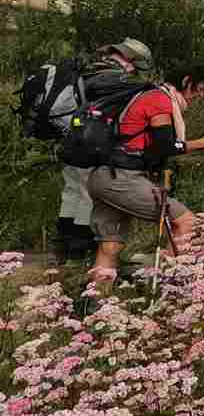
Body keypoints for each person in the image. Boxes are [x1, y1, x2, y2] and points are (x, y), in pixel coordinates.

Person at [80, 62, 204, 312]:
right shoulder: (159, 100)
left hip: (104, 175)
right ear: (186, 81)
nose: (200, 95)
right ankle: (167, 294)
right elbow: (165, 146)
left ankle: (94, 307)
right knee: (186, 221)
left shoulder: (147, 95)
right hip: (123, 177)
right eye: (199, 89)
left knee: (110, 245)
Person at [57, 38, 154, 265]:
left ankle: (61, 252)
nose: (134, 72)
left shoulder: (92, 67)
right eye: (135, 67)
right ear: (130, 59)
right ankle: (78, 255)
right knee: (84, 197)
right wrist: (151, 88)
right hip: (90, 145)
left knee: (71, 194)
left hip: (74, 139)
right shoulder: (110, 75)